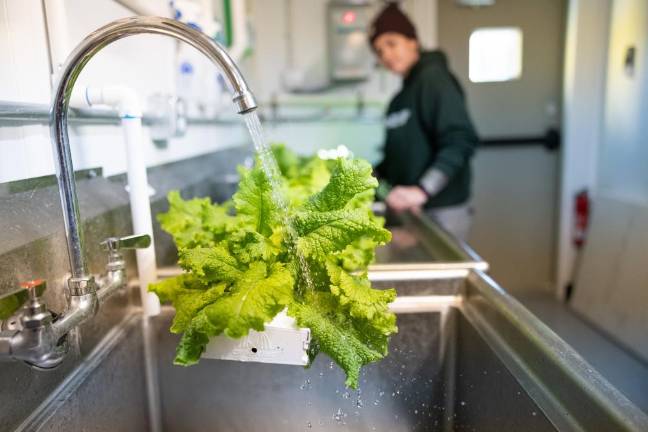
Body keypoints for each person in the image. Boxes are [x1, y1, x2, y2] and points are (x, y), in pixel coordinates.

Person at [370, 2, 479, 240]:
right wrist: (370, 176)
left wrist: (422, 190)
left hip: (443, 210)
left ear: (413, 41)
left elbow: (460, 140)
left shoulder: (434, 80)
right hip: (412, 212)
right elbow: (397, 158)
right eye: (379, 51)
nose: (386, 54)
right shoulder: (399, 99)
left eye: (391, 43)